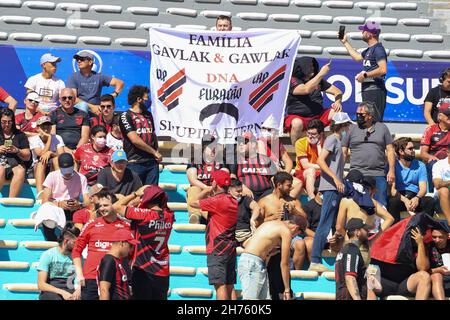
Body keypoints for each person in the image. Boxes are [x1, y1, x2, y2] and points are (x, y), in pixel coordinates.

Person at [113, 185, 175, 300]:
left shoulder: (144, 215)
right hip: (162, 269)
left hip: (144, 268)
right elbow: (165, 206)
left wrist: (135, 194)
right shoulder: (169, 216)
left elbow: (116, 207)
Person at [309, 112, 352, 273]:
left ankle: (333, 257)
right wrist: (336, 180)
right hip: (331, 188)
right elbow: (320, 161)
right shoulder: (332, 139)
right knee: (325, 224)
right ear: (341, 126)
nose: (348, 128)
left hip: (335, 187)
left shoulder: (335, 140)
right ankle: (315, 259)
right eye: (347, 125)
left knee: (333, 223)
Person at [72, 190, 130, 300]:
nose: (102, 208)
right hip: (92, 278)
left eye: (106, 205)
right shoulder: (91, 224)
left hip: (116, 280)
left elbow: (132, 253)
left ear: (115, 205)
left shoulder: (126, 226)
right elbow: (76, 250)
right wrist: (80, 274)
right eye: (100, 205)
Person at [190, 170, 238, 300]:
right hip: (230, 248)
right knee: (230, 285)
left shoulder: (217, 201)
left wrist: (206, 190)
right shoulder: (233, 201)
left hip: (217, 248)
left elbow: (193, 202)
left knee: (220, 286)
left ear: (215, 183)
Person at [258, 172, 308, 297]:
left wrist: (294, 211)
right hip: (271, 242)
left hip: (289, 239)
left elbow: (305, 220)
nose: (291, 188)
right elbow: (256, 225)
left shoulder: (293, 201)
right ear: (279, 185)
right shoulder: (265, 201)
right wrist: (271, 218)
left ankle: (293, 275)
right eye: (288, 185)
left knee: (299, 243)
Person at [238, 215, 307, 300]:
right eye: (298, 234)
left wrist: (267, 253)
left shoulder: (269, 223)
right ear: (295, 228)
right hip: (253, 264)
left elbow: (248, 245)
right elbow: (285, 263)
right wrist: (287, 289)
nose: (294, 237)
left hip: (251, 262)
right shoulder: (285, 231)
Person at [334, 172, 394, 266]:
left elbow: (338, 227)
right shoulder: (373, 203)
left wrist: (346, 237)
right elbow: (390, 219)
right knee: (362, 275)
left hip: (350, 243)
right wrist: (373, 240)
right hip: (365, 243)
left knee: (348, 276)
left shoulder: (346, 200)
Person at [342, 101, 395, 207]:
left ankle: (380, 224)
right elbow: (343, 152)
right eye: (357, 114)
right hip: (356, 173)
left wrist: (391, 170)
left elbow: (390, 150)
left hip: (378, 174)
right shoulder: (351, 129)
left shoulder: (382, 128)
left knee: (380, 205)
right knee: (354, 205)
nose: (358, 116)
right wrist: (339, 171)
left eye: (361, 114)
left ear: (370, 116)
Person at [284, 56, 343, 145]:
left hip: (318, 115)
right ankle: (296, 150)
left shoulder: (318, 80)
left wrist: (338, 102)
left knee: (337, 113)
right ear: (303, 67)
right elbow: (305, 90)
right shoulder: (292, 80)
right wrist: (321, 74)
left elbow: (337, 91)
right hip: (299, 117)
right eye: (310, 66)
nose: (312, 68)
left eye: (313, 66)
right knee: (296, 123)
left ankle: (334, 145)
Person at [340, 22, 388, 122]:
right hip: (369, 89)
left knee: (374, 121)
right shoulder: (370, 50)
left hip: (375, 90)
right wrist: (345, 42)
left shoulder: (378, 49)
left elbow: (383, 69)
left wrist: (365, 75)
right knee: (367, 121)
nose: (362, 32)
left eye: (364, 31)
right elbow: (357, 57)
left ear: (370, 34)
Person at [372, 227, 431, 300]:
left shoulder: (417, 247)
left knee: (424, 276)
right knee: (368, 276)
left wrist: (420, 244)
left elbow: (423, 268)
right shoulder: (386, 243)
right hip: (385, 283)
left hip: (404, 284)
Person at [119, 85, 162, 185]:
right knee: (136, 195)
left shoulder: (148, 115)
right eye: (147, 98)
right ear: (139, 99)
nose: (149, 101)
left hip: (152, 163)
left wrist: (157, 151)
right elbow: (134, 139)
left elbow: (152, 134)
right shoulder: (126, 115)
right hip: (135, 162)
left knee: (152, 194)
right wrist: (154, 152)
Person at [41, 153, 90, 240]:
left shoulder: (81, 178)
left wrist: (79, 205)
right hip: (56, 207)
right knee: (46, 209)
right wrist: (59, 204)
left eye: (69, 169)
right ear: (59, 167)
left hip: (73, 209)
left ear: (73, 165)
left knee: (88, 211)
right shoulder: (52, 176)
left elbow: (87, 201)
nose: (67, 173)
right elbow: (45, 201)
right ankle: (52, 239)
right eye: (64, 169)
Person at [388, 137, 435, 223]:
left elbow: (423, 188)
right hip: (400, 197)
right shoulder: (393, 165)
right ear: (401, 152)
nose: (413, 150)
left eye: (413, 148)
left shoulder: (420, 165)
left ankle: (423, 232)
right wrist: (405, 200)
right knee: (393, 202)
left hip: (415, 196)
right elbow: (392, 190)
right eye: (410, 149)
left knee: (429, 201)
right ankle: (395, 233)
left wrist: (416, 198)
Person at [186, 134, 228, 224]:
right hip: (200, 193)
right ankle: (195, 216)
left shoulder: (221, 161)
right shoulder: (195, 160)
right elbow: (192, 179)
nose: (213, 149)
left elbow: (225, 175)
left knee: (223, 189)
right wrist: (206, 188)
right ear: (203, 148)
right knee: (193, 189)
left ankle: (215, 218)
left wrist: (212, 188)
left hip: (215, 192)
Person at [228, 132, 277, 201]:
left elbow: (275, 177)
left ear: (253, 144)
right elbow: (232, 178)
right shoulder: (235, 160)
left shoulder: (265, 159)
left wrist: (275, 193)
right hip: (244, 194)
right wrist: (242, 187)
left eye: (244, 141)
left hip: (267, 193)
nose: (241, 144)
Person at [37, 223, 81, 300]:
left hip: (70, 287)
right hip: (52, 290)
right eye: (75, 243)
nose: (78, 246)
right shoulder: (48, 255)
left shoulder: (77, 257)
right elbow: (41, 284)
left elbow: (80, 279)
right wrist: (62, 292)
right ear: (66, 241)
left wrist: (78, 290)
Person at [335, 218, 372, 300]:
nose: (368, 232)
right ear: (357, 232)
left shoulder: (345, 249)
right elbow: (350, 278)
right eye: (365, 229)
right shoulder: (352, 250)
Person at [97, 229, 138, 300]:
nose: (131, 249)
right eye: (130, 245)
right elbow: (104, 290)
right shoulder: (109, 261)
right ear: (121, 243)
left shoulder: (116, 260)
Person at [29, 116, 65, 195]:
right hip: (38, 166)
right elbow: (41, 154)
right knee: (42, 162)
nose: (46, 129)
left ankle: (60, 190)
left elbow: (62, 156)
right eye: (43, 126)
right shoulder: (34, 139)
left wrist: (50, 153)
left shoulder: (58, 138)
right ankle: (40, 193)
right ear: (38, 128)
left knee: (56, 160)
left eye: (48, 126)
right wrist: (49, 138)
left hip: (53, 164)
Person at [0, 108, 31, 197]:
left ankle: (11, 201)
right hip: (1, 163)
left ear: (13, 121)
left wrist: (17, 150)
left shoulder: (20, 135)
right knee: (0, 170)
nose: (7, 124)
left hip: (14, 163)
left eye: (9, 122)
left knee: (20, 171)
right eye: (4, 122)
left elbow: (27, 155)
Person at [420, 101, 450, 191]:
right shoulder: (430, 130)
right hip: (435, 162)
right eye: (448, 114)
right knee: (433, 164)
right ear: (440, 116)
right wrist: (435, 159)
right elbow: (423, 153)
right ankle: (432, 193)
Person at [50, 88, 90, 153]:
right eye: (64, 98)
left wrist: (76, 151)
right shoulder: (53, 114)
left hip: (78, 150)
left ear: (74, 99)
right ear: (60, 100)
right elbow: (53, 137)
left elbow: (85, 137)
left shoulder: (83, 114)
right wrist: (66, 150)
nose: (67, 100)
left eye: (70, 98)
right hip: (60, 149)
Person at [294, 119, 325, 200]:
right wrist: (322, 166)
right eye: (308, 133)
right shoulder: (300, 143)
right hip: (303, 173)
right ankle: (312, 200)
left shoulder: (326, 143)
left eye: (313, 134)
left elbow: (325, 162)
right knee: (311, 171)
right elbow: (305, 165)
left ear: (321, 134)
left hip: (320, 173)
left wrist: (319, 147)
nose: (310, 136)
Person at [230, 178, 262, 248]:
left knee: (255, 247)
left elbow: (256, 207)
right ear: (229, 191)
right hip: (229, 236)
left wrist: (252, 219)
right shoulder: (224, 200)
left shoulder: (245, 199)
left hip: (244, 236)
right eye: (238, 191)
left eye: (241, 191)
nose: (240, 193)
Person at [428, 227, 450, 300]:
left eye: (440, 237)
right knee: (437, 276)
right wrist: (438, 270)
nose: (437, 240)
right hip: (435, 281)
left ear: (447, 236)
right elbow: (422, 271)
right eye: (434, 237)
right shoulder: (428, 247)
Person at [432, 144, 450, 224]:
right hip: (440, 201)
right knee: (443, 190)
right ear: (448, 152)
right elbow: (437, 184)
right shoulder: (439, 165)